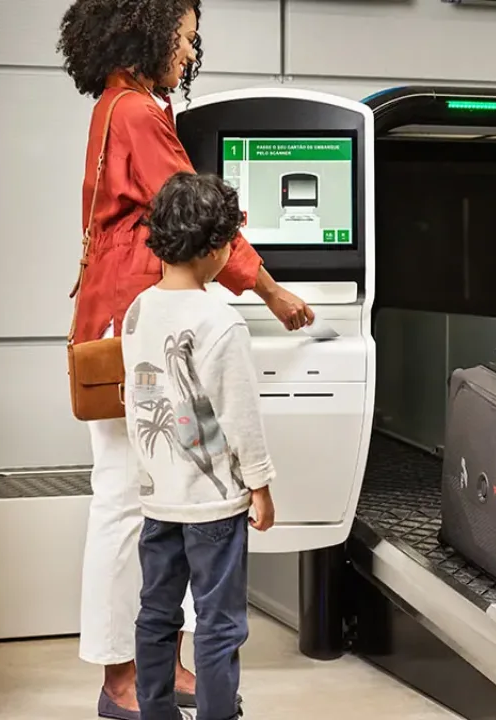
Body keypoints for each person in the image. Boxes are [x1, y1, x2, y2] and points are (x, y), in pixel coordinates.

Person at [56, 1, 312, 717]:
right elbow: (193, 214)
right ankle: (121, 677)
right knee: (126, 502)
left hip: (120, 317)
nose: (191, 50)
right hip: (134, 329)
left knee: (152, 496)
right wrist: (271, 290)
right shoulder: (136, 111)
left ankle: (152, 665)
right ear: (152, 30)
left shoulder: (120, 104)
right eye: (187, 36)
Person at [124, 171, 274, 720]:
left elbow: (138, 404)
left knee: (156, 612)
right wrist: (259, 486)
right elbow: (241, 418)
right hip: (212, 504)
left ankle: (155, 711)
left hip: (158, 499)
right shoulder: (220, 322)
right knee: (219, 622)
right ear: (216, 250)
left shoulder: (137, 311)